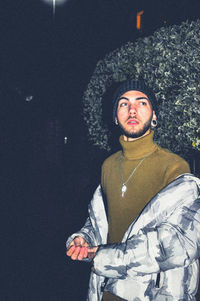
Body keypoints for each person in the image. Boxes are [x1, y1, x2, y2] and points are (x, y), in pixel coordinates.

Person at [66, 80, 200, 301]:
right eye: (123, 104)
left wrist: (103, 256)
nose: (132, 109)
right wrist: (85, 239)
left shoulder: (174, 166)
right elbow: (102, 220)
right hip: (106, 290)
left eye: (142, 102)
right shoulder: (107, 165)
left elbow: (179, 243)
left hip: (152, 293)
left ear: (154, 116)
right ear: (115, 118)